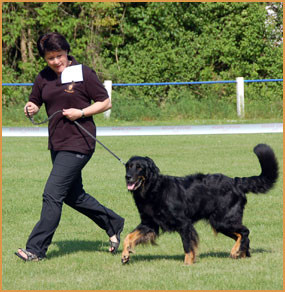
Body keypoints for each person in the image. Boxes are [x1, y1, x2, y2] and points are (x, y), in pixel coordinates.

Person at [15, 32, 124, 261]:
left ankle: (35, 249)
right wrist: (30, 108)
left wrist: (81, 112)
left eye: (59, 55)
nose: (56, 62)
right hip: (57, 143)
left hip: (80, 142)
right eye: (50, 58)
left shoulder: (83, 73)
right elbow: (34, 100)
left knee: (52, 194)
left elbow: (105, 102)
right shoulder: (44, 76)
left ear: (67, 52)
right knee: (75, 196)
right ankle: (113, 223)